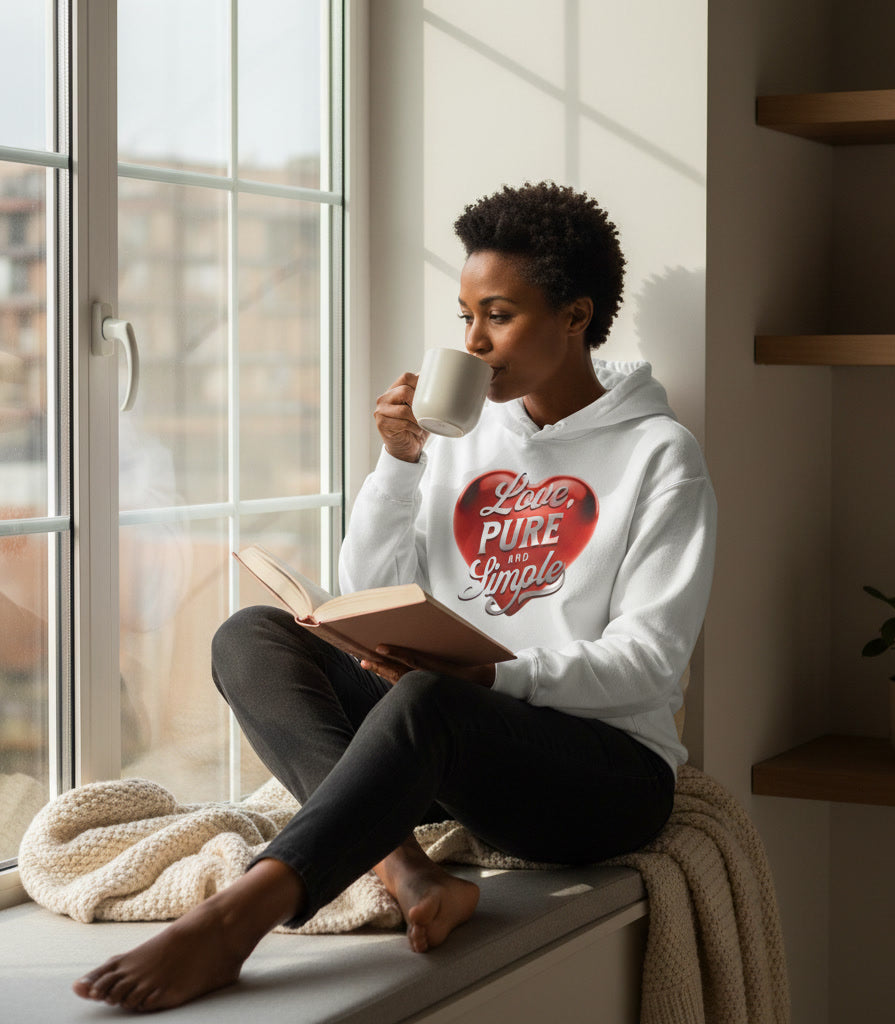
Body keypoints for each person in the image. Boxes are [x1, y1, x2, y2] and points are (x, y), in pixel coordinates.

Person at [72, 182, 717, 1011]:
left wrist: (494, 678)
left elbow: (650, 661)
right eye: (465, 317)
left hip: (601, 774)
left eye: (499, 315)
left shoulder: (662, 457)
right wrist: (400, 463)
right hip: (457, 731)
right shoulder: (464, 432)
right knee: (251, 634)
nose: (474, 342)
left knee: (428, 701)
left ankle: (240, 917)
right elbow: (368, 591)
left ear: (575, 317)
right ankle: (406, 871)